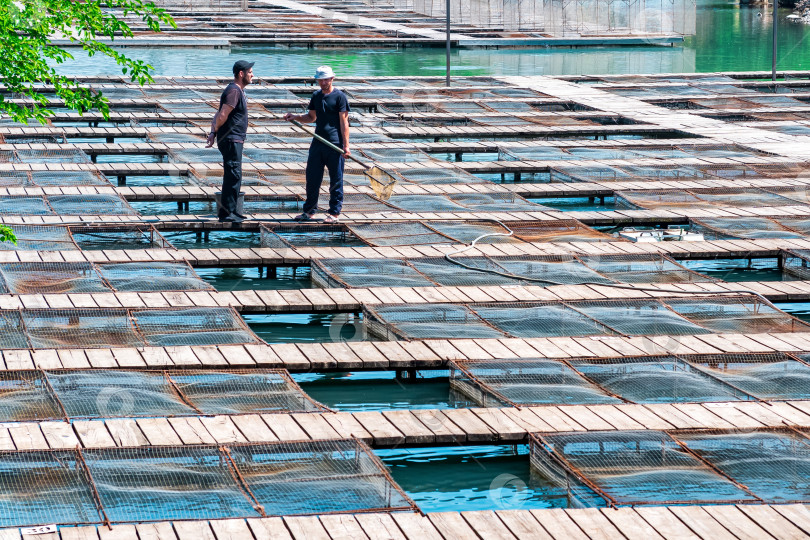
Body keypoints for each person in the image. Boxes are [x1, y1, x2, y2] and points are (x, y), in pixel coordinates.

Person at [284, 66, 350, 224]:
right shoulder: (316, 96)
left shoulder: (340, 97)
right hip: (318, 142)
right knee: (312, 178)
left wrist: (346, 146)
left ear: (332, 79)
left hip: (335, 144)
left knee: (336, 180)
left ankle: (334, 213)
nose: (323, 82)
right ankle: (309, 211)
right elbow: (311, 117)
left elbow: (344, 122)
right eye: (320, 80)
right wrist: (295, 117)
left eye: (326, 79)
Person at [206, 60, 254, 223]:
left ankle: (232, 210)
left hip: (234, 139)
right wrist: (214, 132)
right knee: (234, 174)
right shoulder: (234, 90)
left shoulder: (236, 90)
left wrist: (213, 132)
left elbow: (219, 112)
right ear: (241, 74)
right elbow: (222, 115)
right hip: (231, 139)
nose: (252, 74)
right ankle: (227, 213)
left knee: (234, 175)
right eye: (250, 72)